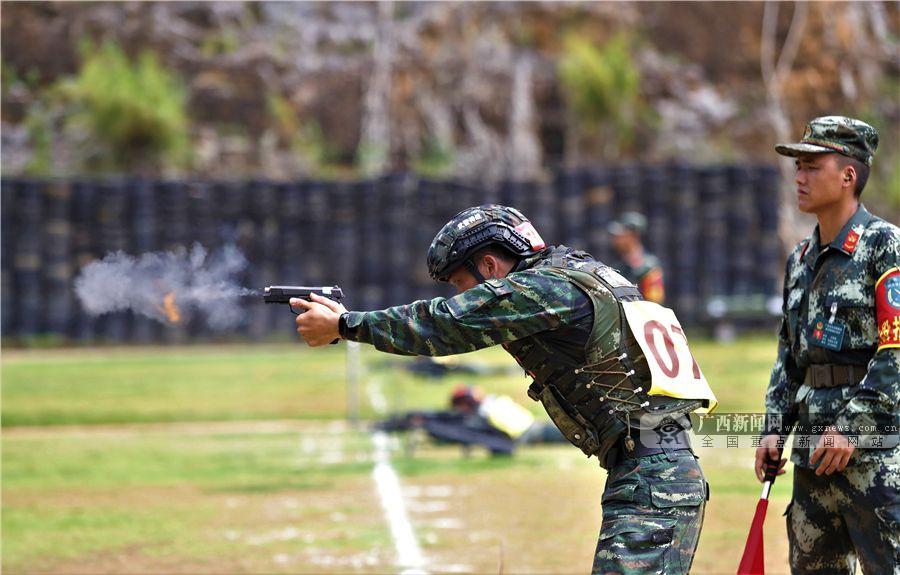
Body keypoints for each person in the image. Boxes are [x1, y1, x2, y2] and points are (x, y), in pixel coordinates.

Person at [293, 204, 716, 574]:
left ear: (491, 266)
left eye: (461, 284)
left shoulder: (547, 285)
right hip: (651, 470)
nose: (463, 296)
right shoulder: (581, 273)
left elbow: (448, 323)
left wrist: (346, 325)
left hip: (652, 477)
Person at [755, 116, 900, 574]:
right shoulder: (800, 259)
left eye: (811, 166)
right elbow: (789, 356)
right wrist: (774, 427)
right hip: (812, 456)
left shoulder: (885, 246)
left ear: (848, 175)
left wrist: (852, 428)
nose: (799, 177)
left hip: (873, 455)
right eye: (798, 166)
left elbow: (895, 350)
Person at [608, 212, 666, 304]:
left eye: (621, 235)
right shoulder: (618, 266)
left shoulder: (649, 267)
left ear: (633, 236)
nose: (615, 239)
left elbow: (654, 302)